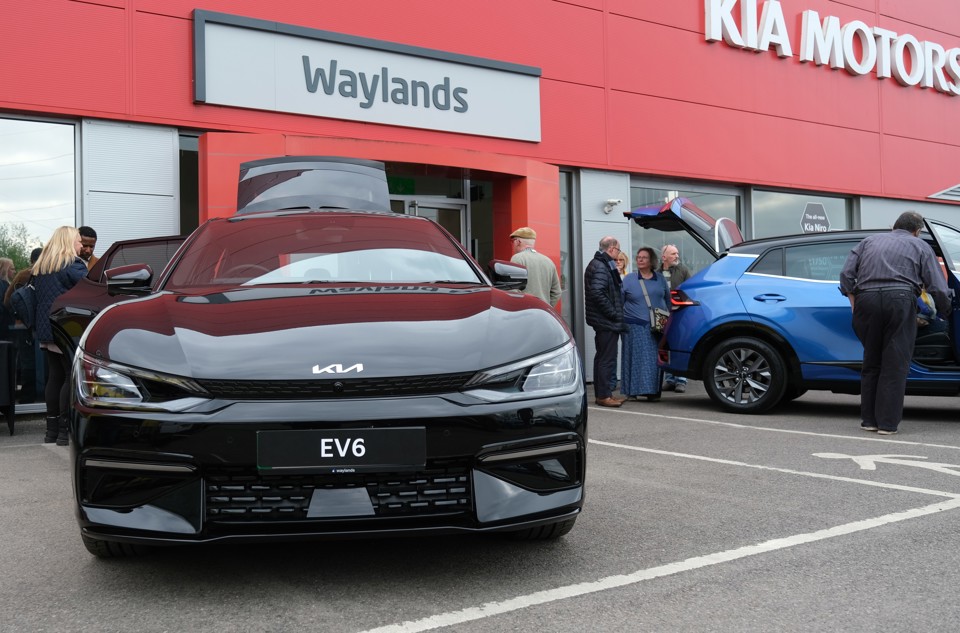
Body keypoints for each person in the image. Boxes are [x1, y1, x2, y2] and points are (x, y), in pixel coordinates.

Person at [839, 211, 950, 436]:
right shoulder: (920, 246)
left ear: (894, 226)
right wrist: (947, 312)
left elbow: (846, 276)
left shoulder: (868, 241)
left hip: (866, 301)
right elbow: (937, 287)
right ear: (917, 231)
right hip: (899, 301)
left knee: (871, 361)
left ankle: (868, 421)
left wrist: (854, 302)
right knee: (894, 364)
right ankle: (887, 424)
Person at [33, 227, 87, 445]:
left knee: (54, 376)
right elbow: (92, 289)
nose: (82, 246)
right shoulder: (72, 264)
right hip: (64, 328)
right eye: (78, 241)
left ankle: (51, 431)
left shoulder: (43, 266)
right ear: (68, 242)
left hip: (45, 328)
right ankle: (65, 432)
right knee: (67, 376)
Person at [621, 247, 671, 402]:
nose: (640, 259)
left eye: (644, 257)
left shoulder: (660, 279)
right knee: (634, 359)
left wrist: (668, 321)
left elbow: (668, 301)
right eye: (638, 257)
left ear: (652, 261)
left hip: (657, 326)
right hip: (634, 325)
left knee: (653, 359)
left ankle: (652, 391)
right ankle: (632, 391)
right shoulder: (629, 279)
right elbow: (620, 302)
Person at [585, 236, 626, 407]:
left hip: (604, 320)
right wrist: (614, 313)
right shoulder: (601, 266)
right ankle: (603, 396)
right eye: (618, 249)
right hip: (606, 321)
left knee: (603, 357)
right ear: (611, 249)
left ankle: (604, 393)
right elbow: (597, 293)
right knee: (606, 358)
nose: (618, 254)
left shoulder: (600, 264)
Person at [660, 244, 691, 393]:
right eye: (673, 254)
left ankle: (681, 380)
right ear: (664, 257)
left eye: (677, 253)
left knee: (679, 346)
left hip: (679, 315)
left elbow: (691, 290)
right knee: (665, 346)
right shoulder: (657, 272)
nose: (677, 256)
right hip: (662, 314)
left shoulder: (683, 270)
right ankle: (669, 379)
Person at [509, 227, 562, 307]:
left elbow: (512, 289)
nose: (512, 245)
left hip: (524, 313)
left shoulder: (517, 258)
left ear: (518, 242)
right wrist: (546, 307)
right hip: (543, 314)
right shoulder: (548, 261)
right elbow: (557, 292)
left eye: (513, 241)